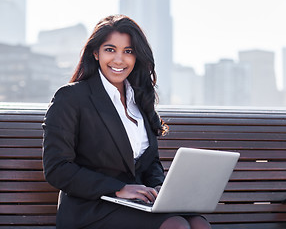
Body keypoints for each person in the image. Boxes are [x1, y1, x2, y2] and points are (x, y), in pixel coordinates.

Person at [42, 14, 211, 229]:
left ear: (137, 57)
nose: (119, 60)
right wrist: (118, 188)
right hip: (91, 208)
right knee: (176, 225)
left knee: (198, 224)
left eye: (128, 51)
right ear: (95, 53)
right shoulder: (71, 98)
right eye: (110, 49)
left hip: (135, 204)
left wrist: (159, 189)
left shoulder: (139, 99)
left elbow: (150, 163)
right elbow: (57, 168)